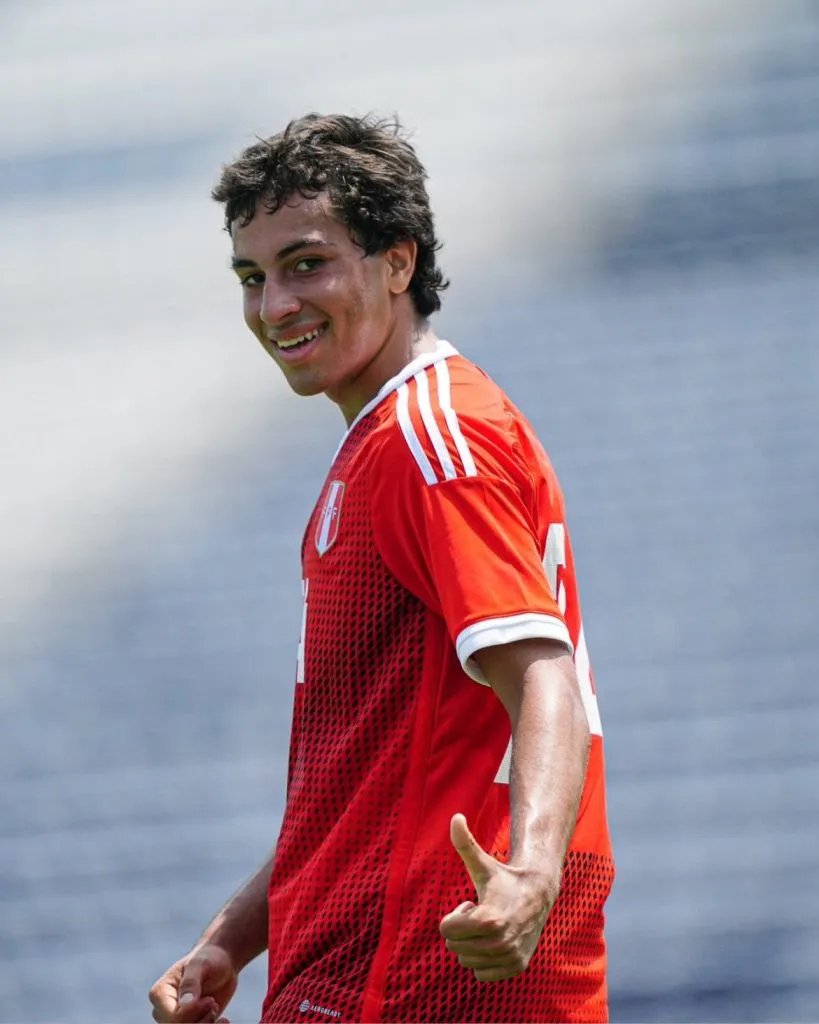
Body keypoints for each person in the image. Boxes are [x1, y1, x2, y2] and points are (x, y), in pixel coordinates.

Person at [149, 113, 614, 1024]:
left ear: (397, 262)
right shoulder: (387, 443)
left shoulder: (428, 439)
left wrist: (528, 872)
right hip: (367, 955)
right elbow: (360, 776)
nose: (275, 303)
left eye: (306, 263)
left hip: (418, 964)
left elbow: (544, 677)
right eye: (253, 276)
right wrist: (231, 939)